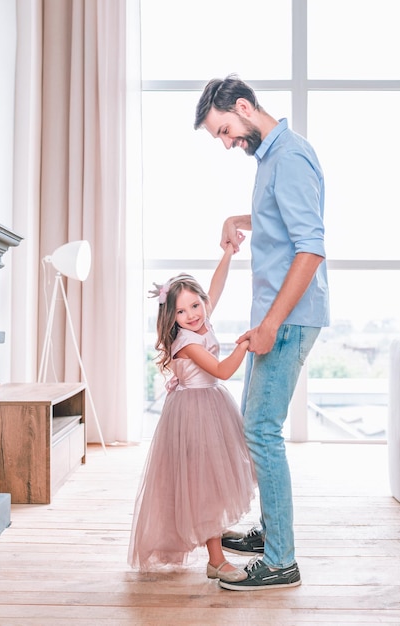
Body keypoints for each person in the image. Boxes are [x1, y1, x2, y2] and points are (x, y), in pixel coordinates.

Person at [194, 74, 329, 591]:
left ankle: (282, 560)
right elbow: (280, 219)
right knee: (257, 427)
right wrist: (237, 216)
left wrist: (272, 323)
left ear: (245, 107)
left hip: (286, 319)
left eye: (226, 130)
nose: (227, 143)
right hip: (275, 316)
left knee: (262, 433)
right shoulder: (272, 158)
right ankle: (272, 533)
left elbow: (311, 246)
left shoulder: (289, 157)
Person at [128, 238, 256, 583]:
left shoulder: (201, 319)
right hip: (195, 414)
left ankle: (217, 552)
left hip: (212, 406)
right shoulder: (186, 342)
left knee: (213, 480)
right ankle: (216, 560)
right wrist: (245, 344)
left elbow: (217, 284)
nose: (192, 316)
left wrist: (227, 254)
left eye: (196, 306)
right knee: (204, 485)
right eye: (181, 312)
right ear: (172, 317)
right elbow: (223, 370)